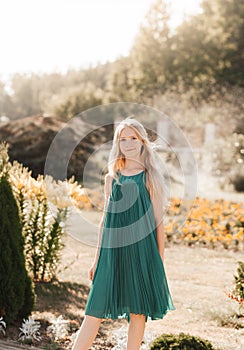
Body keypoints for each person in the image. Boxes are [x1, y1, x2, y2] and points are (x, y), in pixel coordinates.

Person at [72, 117, 175, 350]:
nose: (128, 143)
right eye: (122, 139)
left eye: (133, 138)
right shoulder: (112, 178)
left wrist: (158, 264)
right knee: (93, 311)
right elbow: (104, 222)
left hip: (141, 253)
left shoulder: (150, 177)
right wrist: (96, 259)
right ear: (117, 143)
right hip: (111, 252)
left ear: (142, 142)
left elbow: (159, 224)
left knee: (137, 313)